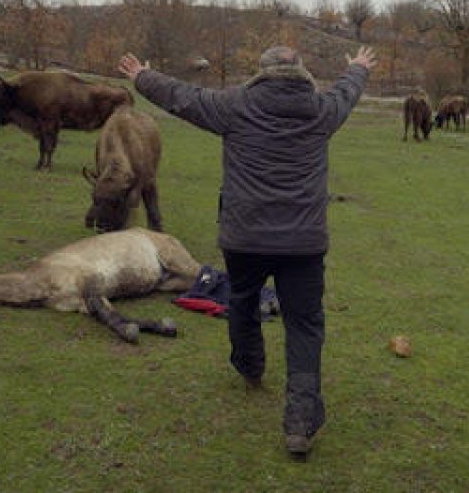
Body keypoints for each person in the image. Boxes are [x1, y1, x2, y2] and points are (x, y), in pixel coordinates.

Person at [118, 45, 376, 458]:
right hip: (303, 243)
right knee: (304, 324)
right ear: (301, 72)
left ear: (262, 71)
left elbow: (183, 97)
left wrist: (142, 77)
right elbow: (347, 92)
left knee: (242, 300)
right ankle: (300, 421)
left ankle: (250, 366)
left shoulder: (235, 105)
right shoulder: (321, 109)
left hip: (244, 237)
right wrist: (359, 67)